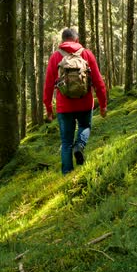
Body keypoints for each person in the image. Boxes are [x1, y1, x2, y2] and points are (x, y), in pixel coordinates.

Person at [43, 28, 107, 175]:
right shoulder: (86, 54)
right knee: (85, 126)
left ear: (62, 41)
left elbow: (47, 85)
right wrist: (103, 105)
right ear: (77, 40)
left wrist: (48, 108)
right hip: (85, 103)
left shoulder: (55, 57)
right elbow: (98, 82)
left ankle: (67, 173)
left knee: (66, 142)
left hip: (64, 106)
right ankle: (79, 146)